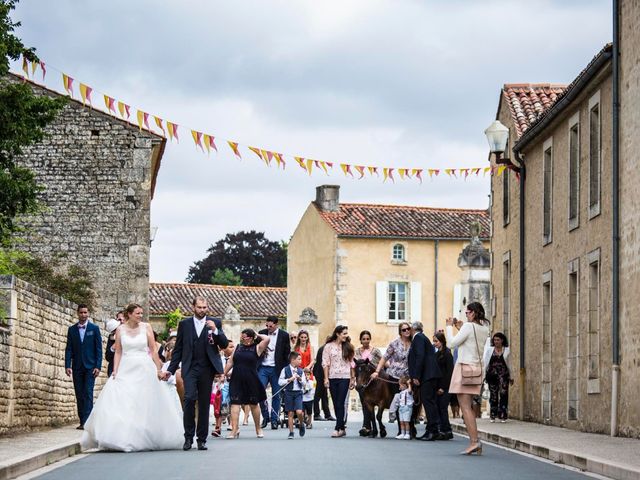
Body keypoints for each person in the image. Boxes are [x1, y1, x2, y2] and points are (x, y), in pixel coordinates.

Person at [81, 304, 183, 452]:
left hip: (144, 366)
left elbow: (153, 350)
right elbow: (118, 352)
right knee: (125, 400)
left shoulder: (146, 327)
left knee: (144, 400)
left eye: (141, 313)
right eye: (137, 313)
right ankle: (122, 435)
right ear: (129, 314)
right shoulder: (120, 329)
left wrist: (158, 369)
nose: (140, 316)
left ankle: (144, 433)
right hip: (126, 366)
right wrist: (115, 370)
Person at [165, 296, 229, 451]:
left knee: (204, 403)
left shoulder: (215, 323)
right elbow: (178, 349)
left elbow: (225, 344)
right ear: (193, 307)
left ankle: (201, 439)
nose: (202, 310)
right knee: (189, 398)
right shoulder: (184, 324)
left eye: (205, 307)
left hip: (207, 368)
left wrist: (216, 330)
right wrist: (170, 370)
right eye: (199, 307)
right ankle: (188, 437)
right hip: (190, 368)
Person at [446, 302, 491, 456]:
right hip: (476, 369)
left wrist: (448, 327)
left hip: (464, 368)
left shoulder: (468, 327)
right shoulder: (484, 329)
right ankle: (474, 440)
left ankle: (474, 441)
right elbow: (472, 341)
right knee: (469, 406)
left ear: (473, 313)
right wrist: (461, 327)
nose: (466, 314)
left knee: (465, 407)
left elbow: (452, 344)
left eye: (467, 312)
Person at [224, 329, 270, 439]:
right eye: (242, 336)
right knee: (235, 403)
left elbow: (267, 339)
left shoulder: (257, 347)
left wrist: (257, 334)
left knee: (253, 404)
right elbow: (231, 361)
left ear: (250, 337)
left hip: (251, 378)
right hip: (237, 377)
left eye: (245, 336)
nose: (242, 338)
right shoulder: (238, 347)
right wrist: (223, 373)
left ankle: (258, 428)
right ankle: (234, 429)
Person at [65, 304, 102, 430]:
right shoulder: (72, 330)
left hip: (90, 367)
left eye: (85, 312)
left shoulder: (94, 328)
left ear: (88, 313)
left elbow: (99, 349)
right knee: (79, 394)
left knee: (88, 393)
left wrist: (98, 366)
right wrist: (67, 365)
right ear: (77, 313)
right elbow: (69, 348)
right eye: (81, 312)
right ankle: (82, 421)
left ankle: (87, 421)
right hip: (77, 367)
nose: (83, 315)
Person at [408, 321, 443, 441]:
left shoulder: (418, 338)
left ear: (413, 329)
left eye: (409, 329)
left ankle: (432, 431)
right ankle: (433, 429)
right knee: (430, 402)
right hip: (430, 375)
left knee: (428, 402)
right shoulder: (422, 338)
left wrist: (416, 376)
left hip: (426, 376)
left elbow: (420, 356)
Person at [258, 316, 291, 429]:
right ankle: (265, 416)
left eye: (270, 326)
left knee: (276, 395)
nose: (268, 328)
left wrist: (286, 371)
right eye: (267, 326)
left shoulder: (284, 335)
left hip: (277, 369)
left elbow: (287, 354)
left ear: (276, 324)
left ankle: (274, 419)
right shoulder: (261, 333)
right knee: (260, 392)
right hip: (262, 367)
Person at [322, 325, 355, 438]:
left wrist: (352, 378)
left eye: (346, 333)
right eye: (344, 333)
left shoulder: (348, 347)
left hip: (344, 377)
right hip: (332, 376)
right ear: (337, 334)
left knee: (340, 402)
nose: (346, 335)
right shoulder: (328, 347)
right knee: (336, 403)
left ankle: (337, 428)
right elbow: (325, 363)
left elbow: (352, 364)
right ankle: (342, 428)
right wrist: (326, 378)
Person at [370, 322, 412, 403]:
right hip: (394, 376)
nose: (407, 331)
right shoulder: (394, 343)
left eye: (408, 329)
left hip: (408, 378)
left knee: (407, 402)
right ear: (400, 332)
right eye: (404, 330)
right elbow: (384, 357)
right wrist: (377, 371)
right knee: (396, 401)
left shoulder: (413, 343)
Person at [354, 330, 382, 435]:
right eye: (363, 339)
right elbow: (354, 366)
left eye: (367, 339)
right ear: (360, 340)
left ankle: (370, 426)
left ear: (370, 339)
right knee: (365, 404)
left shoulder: (375, 351)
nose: (366, 341)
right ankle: (366, 426)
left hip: (374, 382)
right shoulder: (357, 352)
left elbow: (384, 361)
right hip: (363, 382)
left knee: (372, 403)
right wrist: (353, 379)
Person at [483, 332, 513, 423]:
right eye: (495, 340)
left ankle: (503, 415)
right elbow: (486, 363)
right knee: (493, 395)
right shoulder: (489, 350)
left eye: (498, 340)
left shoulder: (507, 350)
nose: (496, 341)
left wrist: (511, 376)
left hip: (503, 376)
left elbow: (510, 364)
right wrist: (484, 375)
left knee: (504, 394)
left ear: (502, 340)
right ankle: (493, 415)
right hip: (492, 376)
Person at [279, 351, 308, 439]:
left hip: (298, 393)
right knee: (290, 413)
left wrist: (300, 379)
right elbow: (280, 382)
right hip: (288, 393)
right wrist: (288, 380)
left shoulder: (300, 371)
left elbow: (304, 383)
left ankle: (301, 423)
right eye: (299, 359)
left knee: (299, 412)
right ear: (292, 360)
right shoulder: (285, 370)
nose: (300, 361)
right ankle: (291, 432)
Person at [433, 332, 454, 440]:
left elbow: (449, 372)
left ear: (442, 341)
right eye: (434, 341)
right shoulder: (436, 354)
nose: (435, 343)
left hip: (445, 386)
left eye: (436, 341)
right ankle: (444, 429)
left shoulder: (447, 354)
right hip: (438, 385)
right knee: (438, 408)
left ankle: (446, 430)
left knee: (443, 408)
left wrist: (443, 387)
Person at [104, 311, 124, 377]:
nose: (121, 321)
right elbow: (107, 357)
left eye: (124, 319)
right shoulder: (112, 337)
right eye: (119, 319)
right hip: (113, 369)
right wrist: (112, 348)